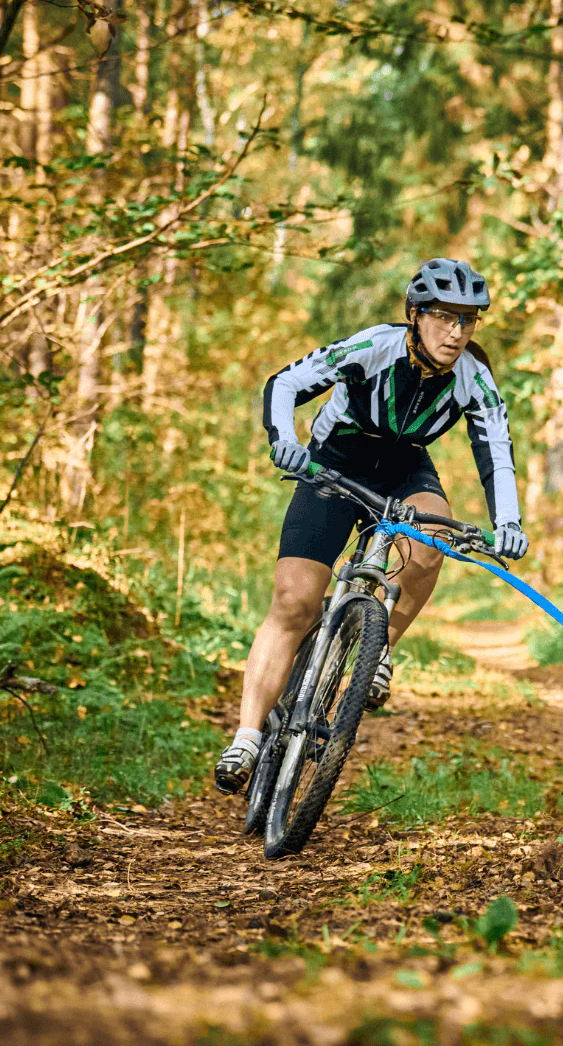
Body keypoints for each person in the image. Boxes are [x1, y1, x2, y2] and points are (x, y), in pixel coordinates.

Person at [213, 258, 528, 794]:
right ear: (415, 315)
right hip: (335, 462)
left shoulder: (474, 377)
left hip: (405, 468)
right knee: (295, 602)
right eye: (443, 316)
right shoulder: (374, 346)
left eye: (468, 319)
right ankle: (246, 737)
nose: (456, 332)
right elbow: (286, 382)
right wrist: (283, 439)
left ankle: (378, 648)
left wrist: (509, 522)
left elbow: (496, 448)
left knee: (433, 541)